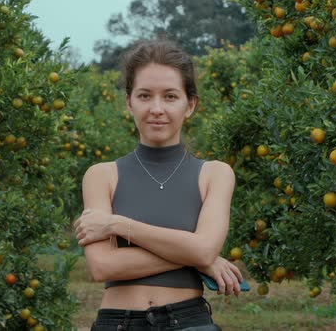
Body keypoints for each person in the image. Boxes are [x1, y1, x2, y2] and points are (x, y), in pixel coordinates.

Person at [73, 40, 242, 331]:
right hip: (117, 323)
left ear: (190, 105)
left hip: (188, 321)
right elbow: (103, 267)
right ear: (129, 102)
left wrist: (116, 224)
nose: (157, 108)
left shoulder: (216, 174)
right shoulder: (101, 175)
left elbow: (203, 250)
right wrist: (193, 256)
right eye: (144, 95)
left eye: (170, 96)